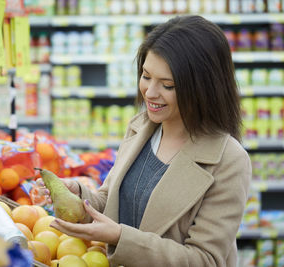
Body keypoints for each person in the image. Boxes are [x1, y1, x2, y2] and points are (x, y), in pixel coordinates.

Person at [38, 15, 251, 266]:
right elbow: (113, 202)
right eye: (146, 76)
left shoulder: (228, 160)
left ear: (202, 87)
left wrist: (121, 237)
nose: (150, 93)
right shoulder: (141, 128)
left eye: (167, 85)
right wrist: (79, 198)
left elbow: (204, 259)